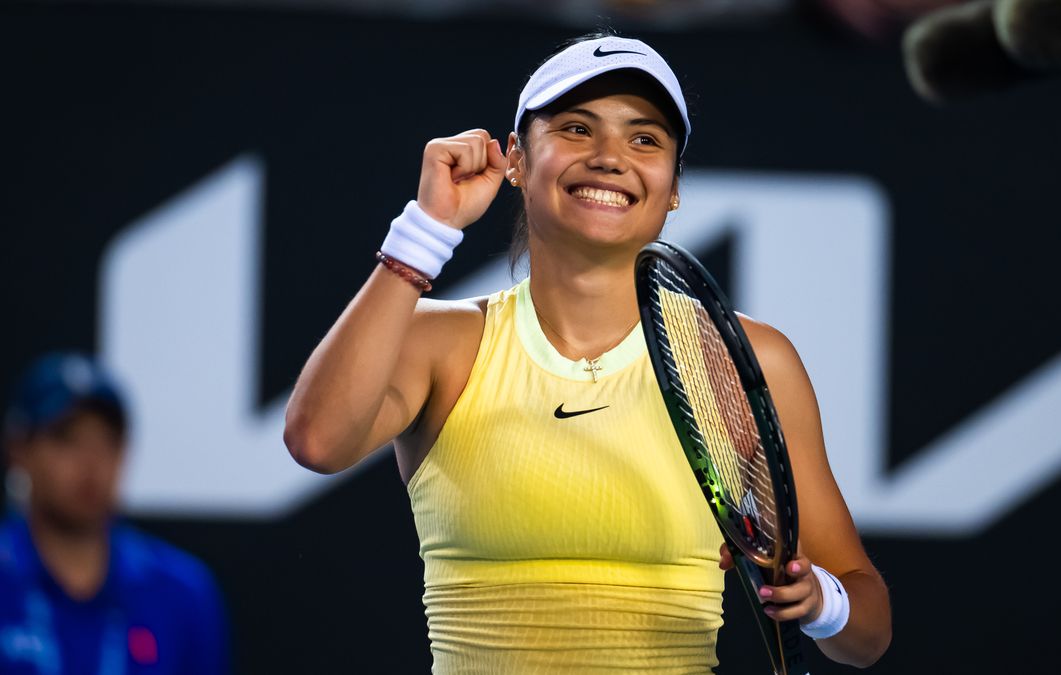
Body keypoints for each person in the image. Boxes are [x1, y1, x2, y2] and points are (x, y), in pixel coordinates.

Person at [284, 32, 891, 672]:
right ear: (515, 158)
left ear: (674, 185)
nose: (609, 158)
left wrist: (821, 600)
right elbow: (318, 443)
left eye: (645, 139)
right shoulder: (438, 341)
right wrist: (426, 234)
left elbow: (866, 630)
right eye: (576, 129)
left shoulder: (742, 358)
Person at [0, 352, 229, 675]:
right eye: (67, 438)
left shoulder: (182, 592)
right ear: (19, 450)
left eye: (108, 441)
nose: (91, 463)